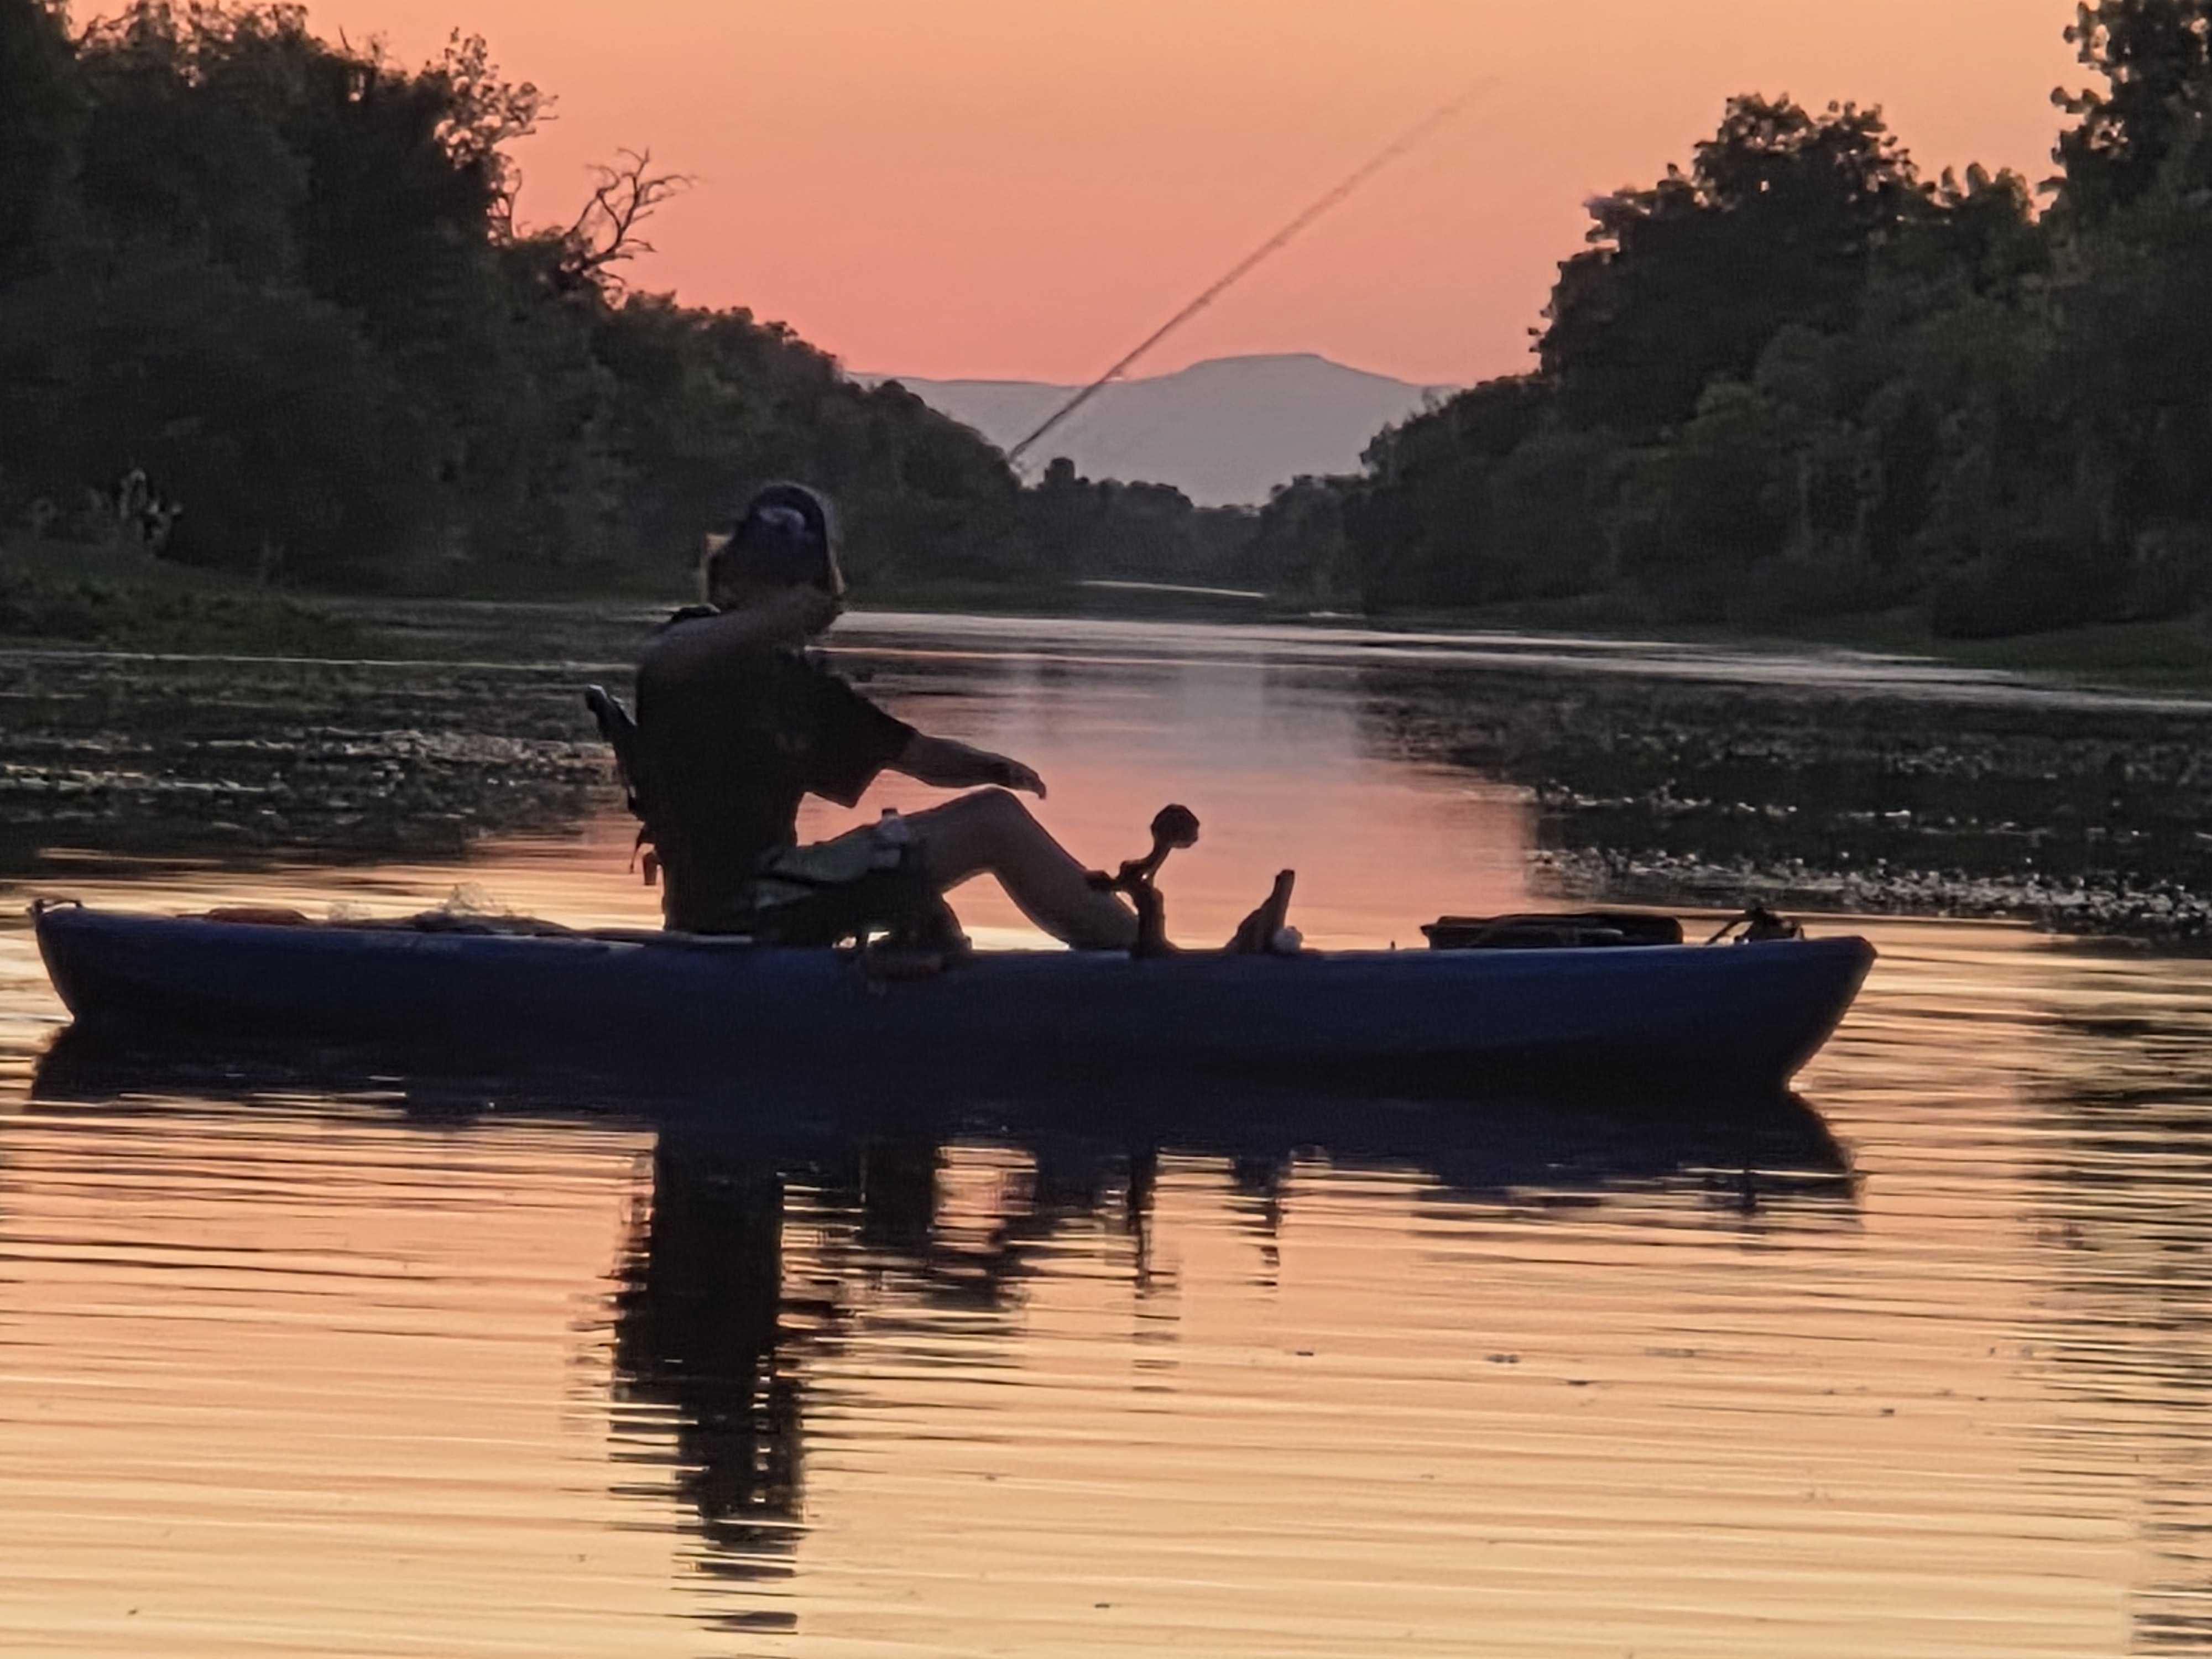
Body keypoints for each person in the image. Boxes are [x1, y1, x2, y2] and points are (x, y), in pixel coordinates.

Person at [632, 483, 1139, 950]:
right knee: (995, 824)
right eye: (762, 578)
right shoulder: (688, 653)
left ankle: (1130, 960)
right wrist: (771, 619)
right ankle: (1152, 967)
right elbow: (659, 662)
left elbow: (915, 754)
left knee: (989, 815)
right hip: (738, 910)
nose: (777, 595)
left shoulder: (801, 689)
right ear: (728, 582)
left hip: (781, 892)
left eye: (792, 581)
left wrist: (991, 768)